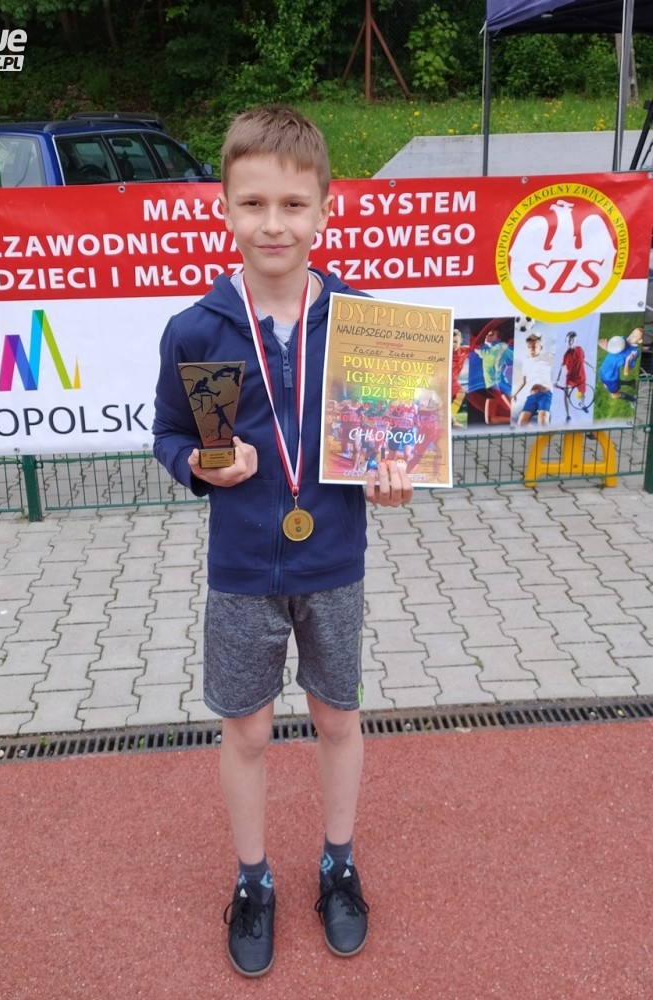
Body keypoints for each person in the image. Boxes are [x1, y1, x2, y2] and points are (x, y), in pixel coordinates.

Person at [152, 104, 413, 978]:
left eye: (294, 205)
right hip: (241, 570)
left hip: (334, 559)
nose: (275, 223)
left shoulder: (366, 324)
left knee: (338, 716)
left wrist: (395, 476)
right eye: (254, 203)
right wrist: (201, 465)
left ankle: (338, 864)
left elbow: (395, 444)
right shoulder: (198, 330)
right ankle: (254, 877)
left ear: (325, 211)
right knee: (249, 730)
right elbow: (169, 435)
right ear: (224, 207)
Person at [513, 331, 554, 426]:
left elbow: (563, 360)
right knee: (521, 423)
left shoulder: (548, 356)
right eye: (529, 347)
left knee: (543, 421)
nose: (531, 349)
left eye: (534, 347)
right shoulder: (526, 363)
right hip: (532, 396)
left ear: (540, 347)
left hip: (545, 394)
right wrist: (515, 394)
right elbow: (523, 381)